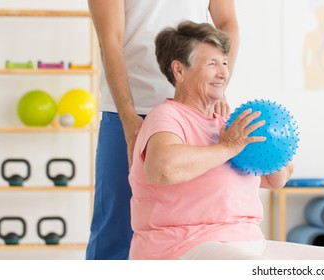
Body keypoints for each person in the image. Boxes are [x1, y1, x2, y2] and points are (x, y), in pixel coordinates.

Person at [127, 21, 324, 260]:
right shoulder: (167, 116)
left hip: (249, 242)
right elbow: (163, 169)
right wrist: (228, 147)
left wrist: (274, 147)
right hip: (182, 245)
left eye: (224, 63)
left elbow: (275, 180)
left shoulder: (229, 124)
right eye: (212, 64)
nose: (223, 73)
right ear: (179, 70)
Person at [86, 0, 239, 260]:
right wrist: (128, 117)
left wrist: (217, 85)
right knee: (116, 225)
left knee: (197, 223)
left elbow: (228, 23)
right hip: (131, 111)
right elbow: (109, 39)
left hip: (196, 107)